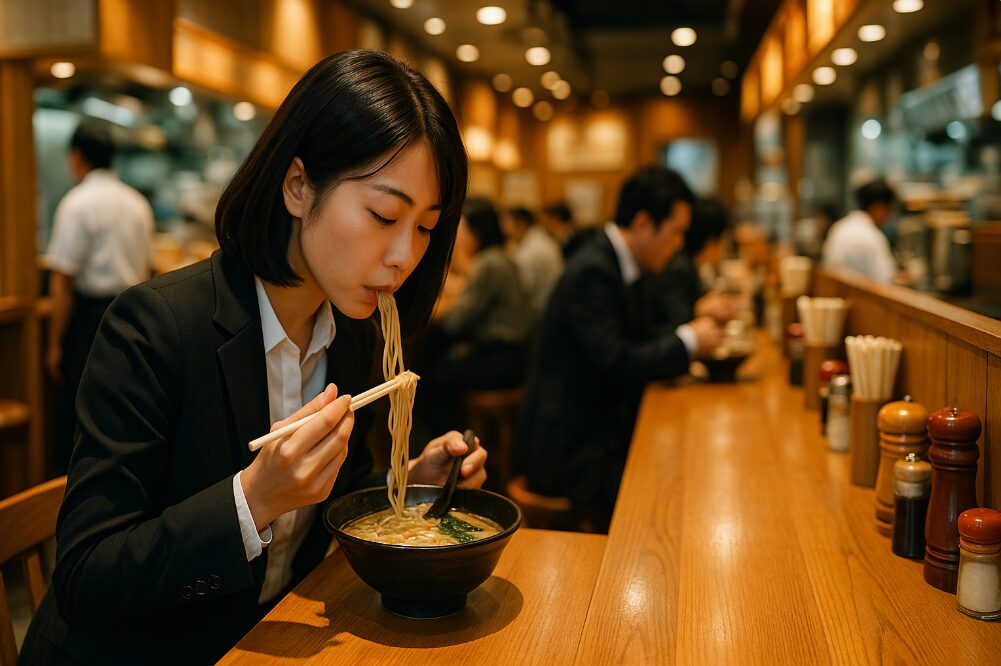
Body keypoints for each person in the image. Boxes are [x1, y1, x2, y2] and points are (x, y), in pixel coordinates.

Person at [20, 49, 486, 665]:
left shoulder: (355, 334)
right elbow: (84, 577)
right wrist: (252, 500)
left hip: (262, 641)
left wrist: (406, 483)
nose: (405, 254)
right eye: (384, 214)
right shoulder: (155, 327)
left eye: (426, 227)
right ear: (298, 186)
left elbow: (324, 500)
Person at [514, 166, 722, 530]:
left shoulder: (624, 263)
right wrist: (689, 341)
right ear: (643, 224)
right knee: (663, 497)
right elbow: (618, 359)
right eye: (676, 233)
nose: (678, 245)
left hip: (597, 424)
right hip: (569, 447)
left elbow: (643, 337)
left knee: (681, 462)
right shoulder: (593, 271)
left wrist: (685, 334)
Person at [43, 122, 155, 474]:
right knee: (124, 411)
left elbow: (61, 282)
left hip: (92, 319)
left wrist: (54, 345)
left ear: (77, 158)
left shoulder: (77, 203)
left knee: (80, 414)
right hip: (137, 313)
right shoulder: (137, 203)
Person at [416, 198, 534, 435]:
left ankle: (452, 442)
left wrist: (424, 314)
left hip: (502, 360)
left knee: (429, 378)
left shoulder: (489, 263)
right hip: (517, 357)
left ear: (476, 231)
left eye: (463, 227)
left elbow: (458, 321)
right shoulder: (502, 256)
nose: (459, 235)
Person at [644, 196, 739, 331]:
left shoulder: (687, 264)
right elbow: (673, 323)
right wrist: (698, 310)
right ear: (711, 239)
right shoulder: (678, 268)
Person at [821, 178, 898, 283]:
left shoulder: (839, 227)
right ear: (878, 207)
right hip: (861, 298)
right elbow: (886, 282)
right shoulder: (873, 237)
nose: (889, 216)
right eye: (889, 210)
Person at [500, 205, 563, 315]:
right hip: (551, 309)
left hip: (540, 316)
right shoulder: (542, 239)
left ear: (521, 224)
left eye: (506, 223)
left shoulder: (530, 251)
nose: (503, 228)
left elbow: (519, 292)